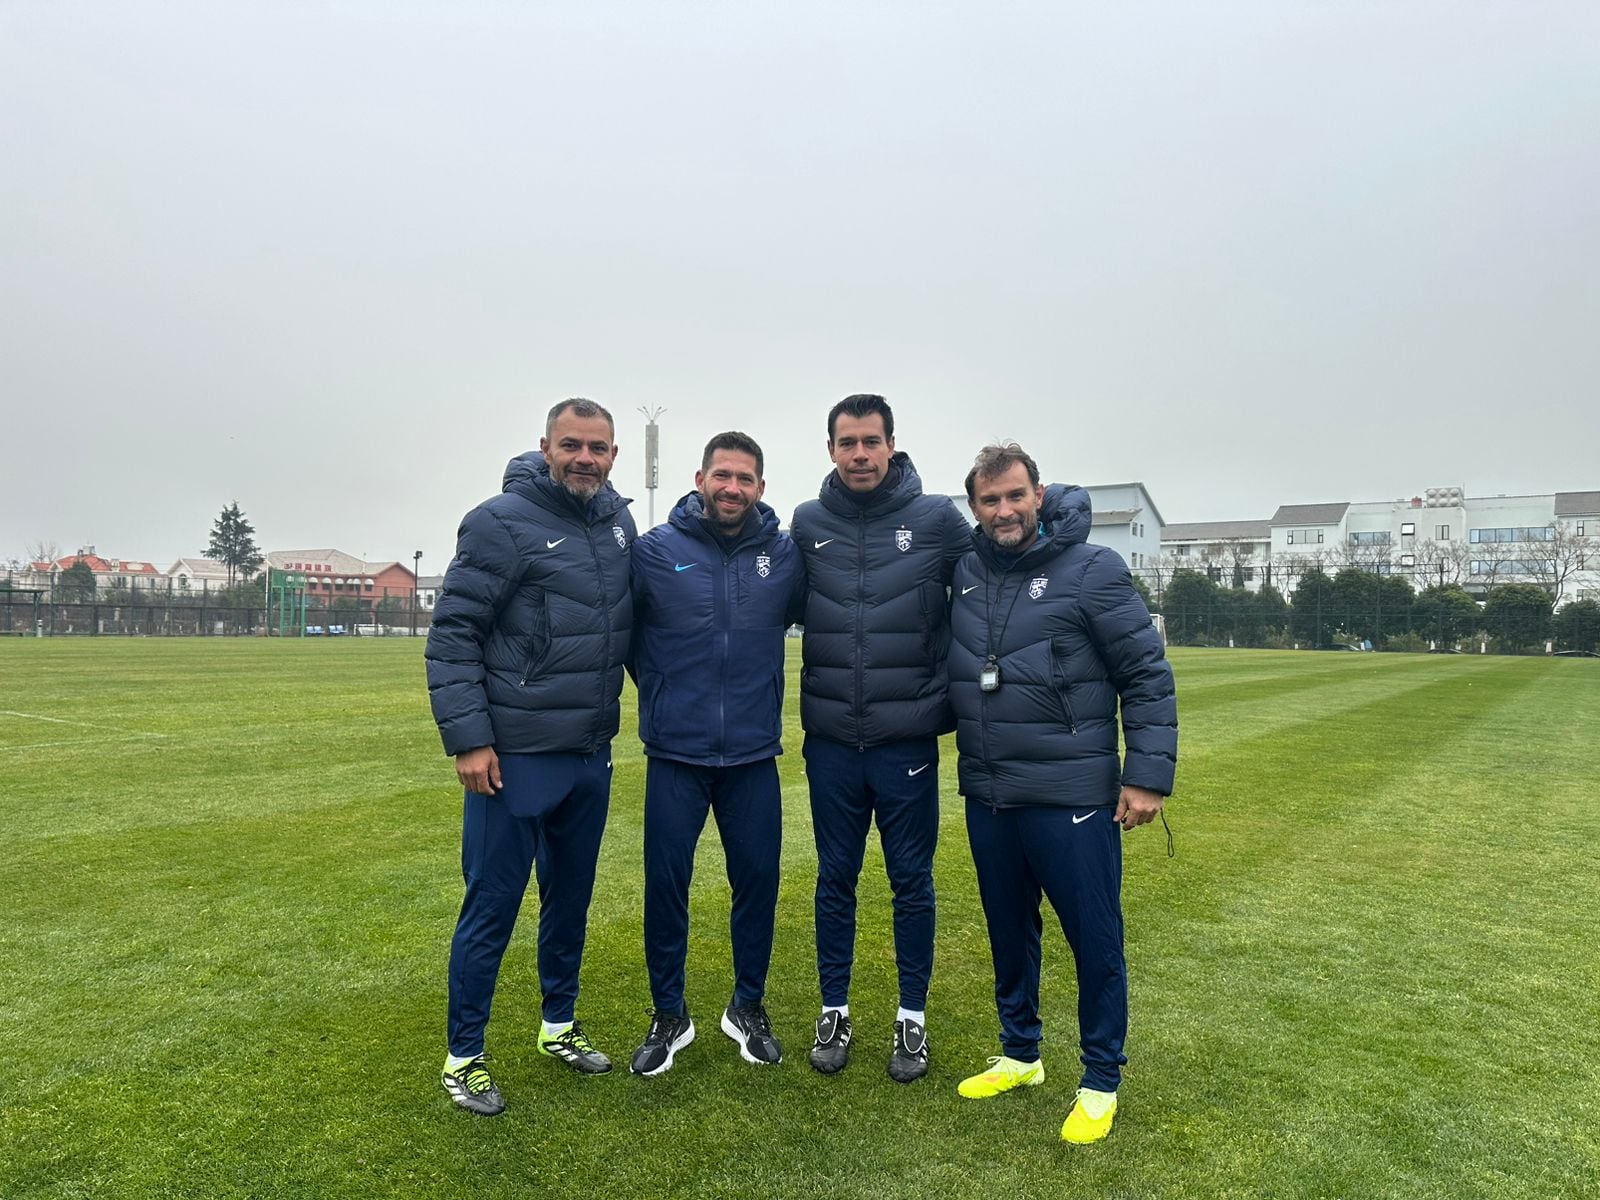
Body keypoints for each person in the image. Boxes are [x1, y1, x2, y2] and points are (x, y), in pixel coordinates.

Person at [947, 442, 1176, 1144]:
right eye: (990, 500)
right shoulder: (966, 573)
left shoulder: (1093, 569)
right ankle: (1021, 1054)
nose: (1004, 510)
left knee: (1094, 939)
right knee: (1009, 934)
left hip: (1071, 794)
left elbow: (1145, 674)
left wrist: (1146, 775)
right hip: (990, 793)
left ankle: (1101, 1078)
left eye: (1015, 495)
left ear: (1038, 495)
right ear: (976, 508)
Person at [424, 398, 636, 1116]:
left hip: (588, 753)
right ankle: (464, 1058)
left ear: (614, 455)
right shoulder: (499, 522)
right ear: (545, 446)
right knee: (492, 907)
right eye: (571, 444)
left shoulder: (616, 523)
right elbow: (453, 635)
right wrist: (470, 738)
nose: (585, 458)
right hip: (513, 757)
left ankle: (558, 1026)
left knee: (569, 902)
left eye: (598, 448)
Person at [790, 394, 970, 1082]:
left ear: (892, 445)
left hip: (906, 744)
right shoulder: (808, 523)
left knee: (910, 882)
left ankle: (911, 1019)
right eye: (846, 442)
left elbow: (989, 581)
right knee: (835, 878)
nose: (859, 454)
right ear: (831, 450)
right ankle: (833, 1009)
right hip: (832, 741)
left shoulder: (934, 520)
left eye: (871, 441)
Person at [627, 432, 806, 1075]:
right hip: (675, 753)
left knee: (757, 884)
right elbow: (629, 639)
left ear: (761, 488)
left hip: (754, 754)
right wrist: (666, 696)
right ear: (700, 478)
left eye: (746, 479)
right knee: (665, 887)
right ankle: (668, 1014)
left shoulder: (783, 557)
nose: (733, 488)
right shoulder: (654, 552)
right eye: (722, 476)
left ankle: (747, 1006)